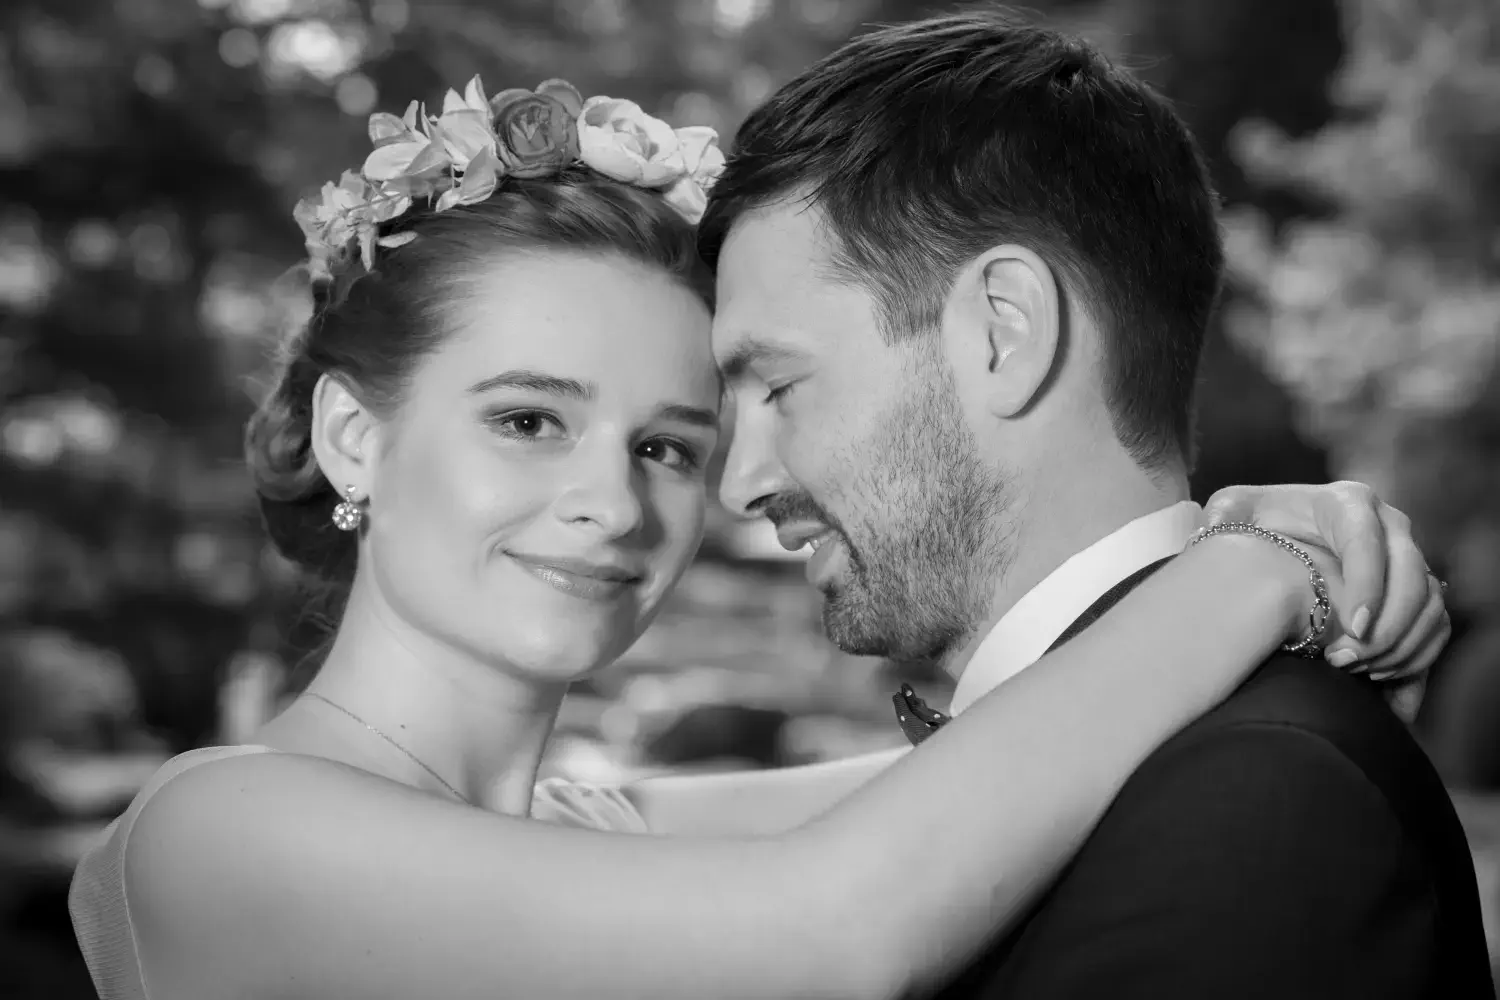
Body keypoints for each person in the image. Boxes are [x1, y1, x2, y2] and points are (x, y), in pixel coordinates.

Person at [66, 75, 1450, 1000]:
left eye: (670, 444)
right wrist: (1256, 573)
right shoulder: (217, 831)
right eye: (529, 420)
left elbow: (1012, 755)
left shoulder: (598, 828)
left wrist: (1257, 543)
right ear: (354, 438)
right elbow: (840, 926)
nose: (618, 504)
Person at [689, 9, 1493, 998]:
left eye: (778, 386)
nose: (741, 480)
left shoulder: (1257, 802)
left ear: (1004, 332)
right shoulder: (1181, 768)